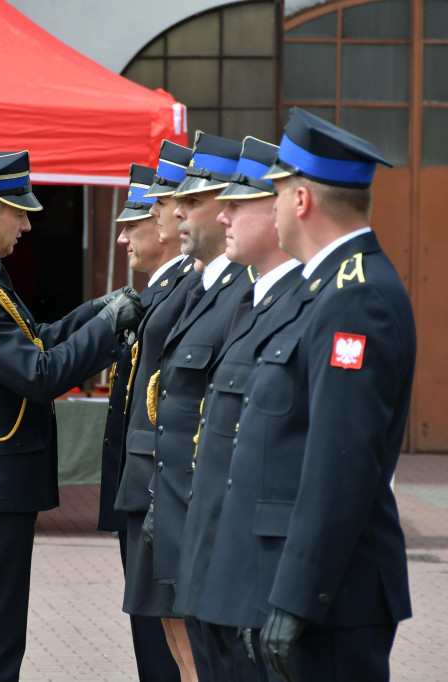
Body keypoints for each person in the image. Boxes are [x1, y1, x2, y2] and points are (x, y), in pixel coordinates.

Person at [199, 108, 416, 681]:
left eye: (273, 193)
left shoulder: (356, 296)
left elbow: (339, 464)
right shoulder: (327, 287)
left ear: (300, 201)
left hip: (329, 601)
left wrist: (297, 597)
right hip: (294, 587)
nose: (267, 207)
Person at [0, 150, 143, 680]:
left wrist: (94, 311)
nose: (27, 222)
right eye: (18, 212)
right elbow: (38, 373)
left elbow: (32, 339)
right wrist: (109, 328)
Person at [173, 137, 304, 681]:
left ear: (278, 210)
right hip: (216, 564)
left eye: (237, 203)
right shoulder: (252, 303)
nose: (221, 215)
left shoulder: (304, 305)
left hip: (255, 570)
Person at [143, 131, 250, 682]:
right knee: (182, 643)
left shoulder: (242, 291)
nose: (177, 212)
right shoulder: (207, 285)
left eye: (192, 201)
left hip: (203, 500)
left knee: (209, 654)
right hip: (178, 490)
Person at [98, 160, 190, 682]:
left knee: (165, 647)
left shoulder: (176, 294)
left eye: (133, 223)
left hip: (156, 486)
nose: (123, 239)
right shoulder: (157, 294)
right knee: (155, 642)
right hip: (140, 485)